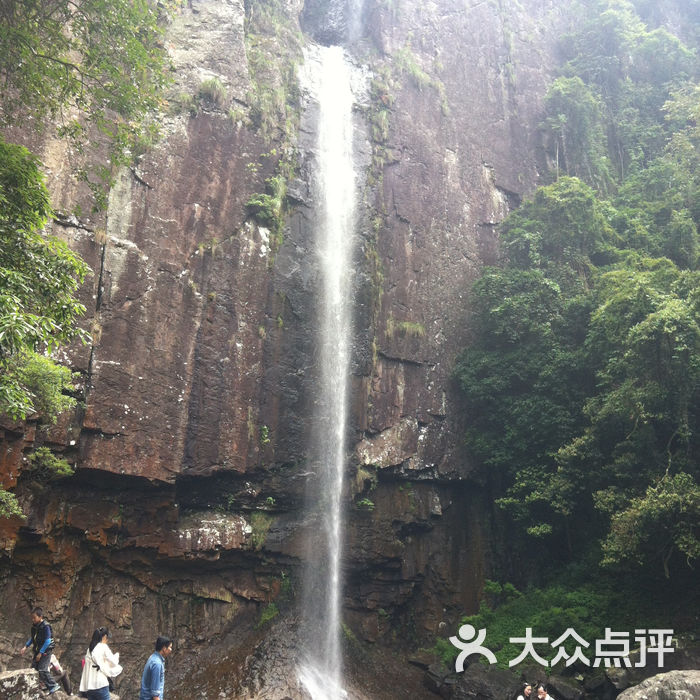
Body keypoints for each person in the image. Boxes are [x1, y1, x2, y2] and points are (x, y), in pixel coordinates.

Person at [18, 607, 60, 695]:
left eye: (34, 617)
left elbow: (48, 641)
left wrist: (41, 653)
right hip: (38, 651)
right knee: (34, 669)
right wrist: (25, 647)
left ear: (40, 617)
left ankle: (53, 685)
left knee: (42, 669)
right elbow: (32, 638)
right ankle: (36, 686)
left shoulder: (46, 626)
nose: (33, 620)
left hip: (45, 652)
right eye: (32, 618)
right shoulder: (34, 627)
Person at [79, 626, 123, 700]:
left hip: (89, 687)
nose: (107, 640)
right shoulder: (103, 647)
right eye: (107, 637)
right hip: (101, 685)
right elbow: (114, 662)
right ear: (105, 636)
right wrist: (117, 655)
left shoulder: (90, 649)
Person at [139, 635, 173, 700]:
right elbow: (155, 693)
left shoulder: (153, 657)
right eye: (170, 647)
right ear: (164, 648)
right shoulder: (157, 664)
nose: (171, 650)